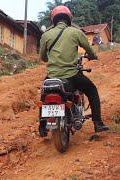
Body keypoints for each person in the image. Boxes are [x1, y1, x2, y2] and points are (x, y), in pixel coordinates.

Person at [39, 5, 109, 136]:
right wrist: (93, 56)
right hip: (71, 75)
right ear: (68, 19)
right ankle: (98, 123)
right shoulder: (76, 32)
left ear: (53, 19)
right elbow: (89, 49)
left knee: (44, 94)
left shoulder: (46, 35)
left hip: (52, 76)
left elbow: (43, 57)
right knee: (92, 90)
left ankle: (42, 127)